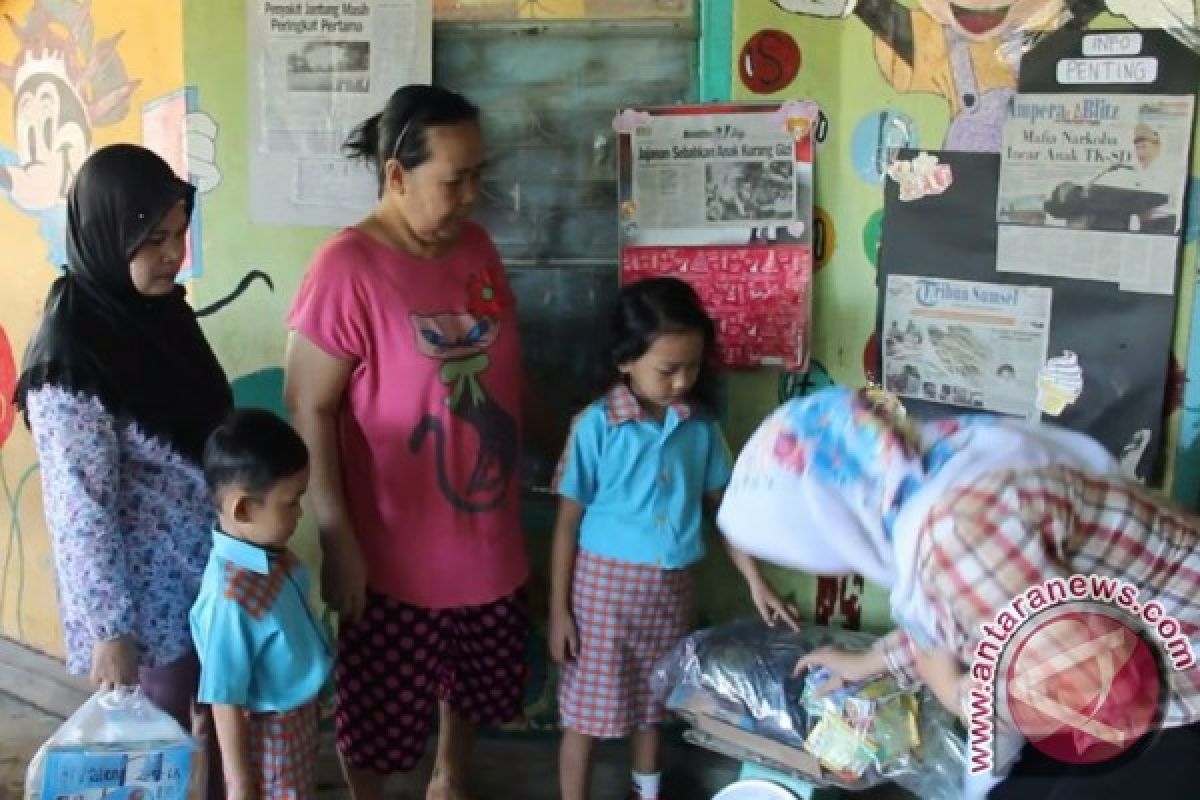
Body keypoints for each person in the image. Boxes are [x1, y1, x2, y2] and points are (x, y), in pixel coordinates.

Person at [716, 386, 1200, 799]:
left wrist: (953, 691)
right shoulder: (955, 462)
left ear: (831, 523)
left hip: (1174, 692)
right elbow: (981, 609)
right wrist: (872, 662)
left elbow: (1096, 700)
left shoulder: (954, 534)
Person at [284, 84, 527, 800]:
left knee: (476, 688)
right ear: (397, 175)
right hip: (392, 550)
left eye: (481, 175)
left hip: (488, 534)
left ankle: (451, 780)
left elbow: (509, 370)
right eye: (455, 180)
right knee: (382, 720)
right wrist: (338, 538)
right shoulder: (346, 268)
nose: (473, 195)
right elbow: (309, 407)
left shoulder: (476, 248)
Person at [14, 144, 231, 798]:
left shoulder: (160, 315)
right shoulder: (70, 361)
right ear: (108, 236)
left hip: (206, 580)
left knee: (217, 735)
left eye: (177, 235)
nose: (173, 254)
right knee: (148, 763)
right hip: (145, 613)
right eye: (152, 239)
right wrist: (112, 632)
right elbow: (79, 510)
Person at [550, 277, 796, 800]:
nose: (682, 381)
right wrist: (558, 612)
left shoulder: (701, 429)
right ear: (625, 361)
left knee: (653, 706)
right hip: (602, 599)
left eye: (693, 367)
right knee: (586, 714)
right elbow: (567, 523)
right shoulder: (595, 427)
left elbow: (725, 514)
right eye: (667, 369)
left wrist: (756, 581)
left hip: (672, 593)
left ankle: (648, 793)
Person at [190, 409, 333, 800]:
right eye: (291, 503)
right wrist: (240, 784)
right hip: (271, 736)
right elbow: (223, 696)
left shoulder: (268, 553)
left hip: (297, 718)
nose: (300, 513)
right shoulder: (230, 597)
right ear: (243, 509)